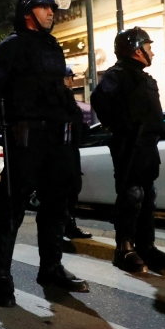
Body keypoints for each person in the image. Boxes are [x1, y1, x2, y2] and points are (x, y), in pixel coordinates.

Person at [0, 0, 90, 309]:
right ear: (29, 11)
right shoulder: (11, 46)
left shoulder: (53, 48)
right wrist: (13, 121)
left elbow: (58, 93)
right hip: (26, 138)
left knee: (56, 205)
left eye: (53, 9)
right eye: (45, 8)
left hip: (56, 139)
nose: (52, 14)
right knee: (12, 208)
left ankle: (51, 269)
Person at [90, 27, 165, 273]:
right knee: (131, 196)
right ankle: (124, 248)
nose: (152, 53)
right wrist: (122, 125)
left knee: (148, 197)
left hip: (148, 146)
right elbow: (98, 99)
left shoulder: (144, 77)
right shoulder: (117, 74)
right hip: (130, 145)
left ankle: (146, 247)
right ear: (137, 50)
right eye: (149, 48)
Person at [63, 67, 92, 240]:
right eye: (68, 78)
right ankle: (61, 228)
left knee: (73, 190)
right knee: (62, 193)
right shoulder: (56, 100)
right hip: (60, 152)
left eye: (72, 78)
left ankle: (69, 225)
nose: (72, 81)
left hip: (72, 150)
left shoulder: (70, 100)